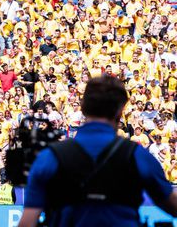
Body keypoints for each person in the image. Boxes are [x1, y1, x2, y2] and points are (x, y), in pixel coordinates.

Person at [17, 75, 177, 227]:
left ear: (83, 107)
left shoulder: (49, 157)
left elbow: (27, 222)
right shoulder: (138, 155)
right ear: (120, 111)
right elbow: (171, 205)